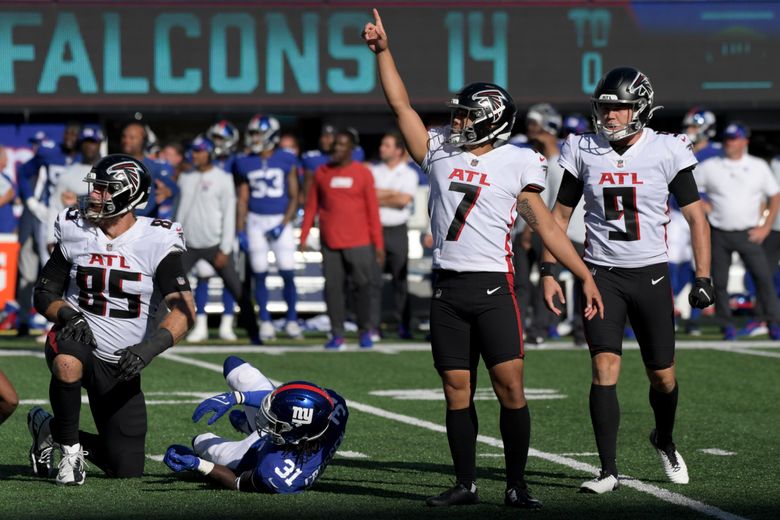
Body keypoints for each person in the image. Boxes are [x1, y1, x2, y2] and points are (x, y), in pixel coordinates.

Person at [363, 9, 603, 509]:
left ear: (492, 117)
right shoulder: (440, 151)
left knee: (510, 386)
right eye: (457, 114)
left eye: (467, 114)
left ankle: (516, 484)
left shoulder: (519, 160)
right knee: (456, 390)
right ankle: (466, 482)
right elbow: (400, 105)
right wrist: (383, 52)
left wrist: (582, 274)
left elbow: (543, 224)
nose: (457, 122)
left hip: (494, 287)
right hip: (448, 288)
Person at [540, 67, 714, 494]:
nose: (610, 114)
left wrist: (704, 275)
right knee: (603, 367)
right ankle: (607, 470)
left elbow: (696, 216)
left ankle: (664, 438)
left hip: (651, 274)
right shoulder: (583, 148)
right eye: (604, 106)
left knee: (663, 377)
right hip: (601, 274)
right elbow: (558, 217)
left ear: (639, 108)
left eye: (618, 106)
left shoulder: (667, 149)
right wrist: (548, 271)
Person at [27, 154, 196, 485]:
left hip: (121, 361)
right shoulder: (76, 229)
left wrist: (148, 350)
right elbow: (44, 293)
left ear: (129, 194)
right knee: (67, 361)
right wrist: (67, 314)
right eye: (96, 188)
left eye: (105, 189)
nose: (95, 195)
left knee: (126, 466)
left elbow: (184, 309)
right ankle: (71, 455)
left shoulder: (157, 238)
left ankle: (50, 427)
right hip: (77, 338)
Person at [163, 355, 348, 493]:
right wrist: (238, 397)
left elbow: (237, 482)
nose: (267, 420)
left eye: (274, 422)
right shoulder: (332, 405)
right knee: (236, 369)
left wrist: (198, 465)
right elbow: (280, 401)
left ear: (296, 432)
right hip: (284, 437)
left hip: (257, 453)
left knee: (200, 442)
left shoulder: (277, 473)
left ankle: (251, 430)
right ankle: (253, 426)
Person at [300, 129, 385, 350]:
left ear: (351, 149)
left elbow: (372, 210)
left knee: (362, 288)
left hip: (360, 242)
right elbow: (311, 206)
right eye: (335, 144)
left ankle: (365, 331)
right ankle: (337, 334)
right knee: (333, 290)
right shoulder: (321, 172)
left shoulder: (362, 173)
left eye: (342, 145)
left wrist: (378, 244)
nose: (337, 148)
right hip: (330, 242)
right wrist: (304, 234)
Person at [695, 122, 780, 340]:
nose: (729, 143)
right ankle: (726, 324)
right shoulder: (711, 166)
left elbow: (774, 195)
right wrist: (704, 206)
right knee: (720, 282)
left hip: (748, 232)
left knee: (762, 277)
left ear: (744, 141)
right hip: (719, 231)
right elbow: (692, 189)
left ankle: (771, 321)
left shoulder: (757, 166)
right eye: (727, 139)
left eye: (734, 139)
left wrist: (766, 226)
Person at [176, 135, 260, 344]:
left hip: (215, 245)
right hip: (187, 245)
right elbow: (178, 211)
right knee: (166, 287)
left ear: (210, 153)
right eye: (193, 151)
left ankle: (254, 333)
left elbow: (229, 214)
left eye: (199, 151)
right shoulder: (185, 177)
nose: (195, 155)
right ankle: (155, 334)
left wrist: (225, 248)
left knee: (238, 290)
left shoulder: (223, 178)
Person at [234, 115, 302, 341]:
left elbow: (294, 196)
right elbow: (243, 199)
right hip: (255, 220)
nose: (254, 138)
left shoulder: (286, 158)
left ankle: (292, 320)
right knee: (260, 272)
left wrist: (284, 224)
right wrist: (240, 228)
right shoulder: (244, 162)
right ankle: (265, 320)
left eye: (258, 133)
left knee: (287, 271)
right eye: (253, 133)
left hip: (279, 219)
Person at [370, 131, 419, 339]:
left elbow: (403, 200)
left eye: (387, 145)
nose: (382, 148)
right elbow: (368, 197)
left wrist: (379, 194)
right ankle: (373, 326)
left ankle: (403, 325)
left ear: (399, 150)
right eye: (382, 144)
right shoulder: (373, 170)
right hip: (376, 229)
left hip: (398, 229)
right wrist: (392, 193)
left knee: (400, 280)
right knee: (373, 280)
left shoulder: (409, 173)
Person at [46, 127, 104, 249]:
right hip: (77, 237)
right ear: (80, 145)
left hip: (105, 235)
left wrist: (79, 199)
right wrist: (51, 238)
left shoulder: (110, 171)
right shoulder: (68, 174)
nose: (89, 146)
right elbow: (55, 206)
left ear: (99, 144)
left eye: (93, 142)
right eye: (85, 142)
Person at [120, 121, 179, 220]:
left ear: (143, 140)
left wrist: (168, 192)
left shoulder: (154, 166)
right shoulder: (112, 164)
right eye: (124, 136)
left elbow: (175, 188)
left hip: (145, 223)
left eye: (132, 137)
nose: (126, 140)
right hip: (117, 224)